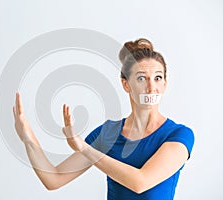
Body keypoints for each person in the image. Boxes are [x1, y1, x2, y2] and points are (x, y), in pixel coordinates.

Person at [13, 38, 195, 200]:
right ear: (126, 84)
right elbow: (54, 178)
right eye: (141, 78)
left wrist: (84, 148)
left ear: (164, 83)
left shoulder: (179, 135)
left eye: (157, 78)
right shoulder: (109, 133)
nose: (151, 87)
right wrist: (28, 138)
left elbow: (140, 182)